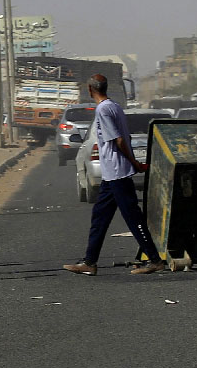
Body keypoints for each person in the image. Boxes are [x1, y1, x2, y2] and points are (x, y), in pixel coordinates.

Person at [63, 74, 166, 276]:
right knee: (99, 218)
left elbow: (118, 140)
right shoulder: (115, 106)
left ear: (90, 89)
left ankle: (154, 260)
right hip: (111, 176)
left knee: (133, 217)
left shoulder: (103, 110)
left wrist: (133, 162)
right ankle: (90, 262)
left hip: (117, 172)